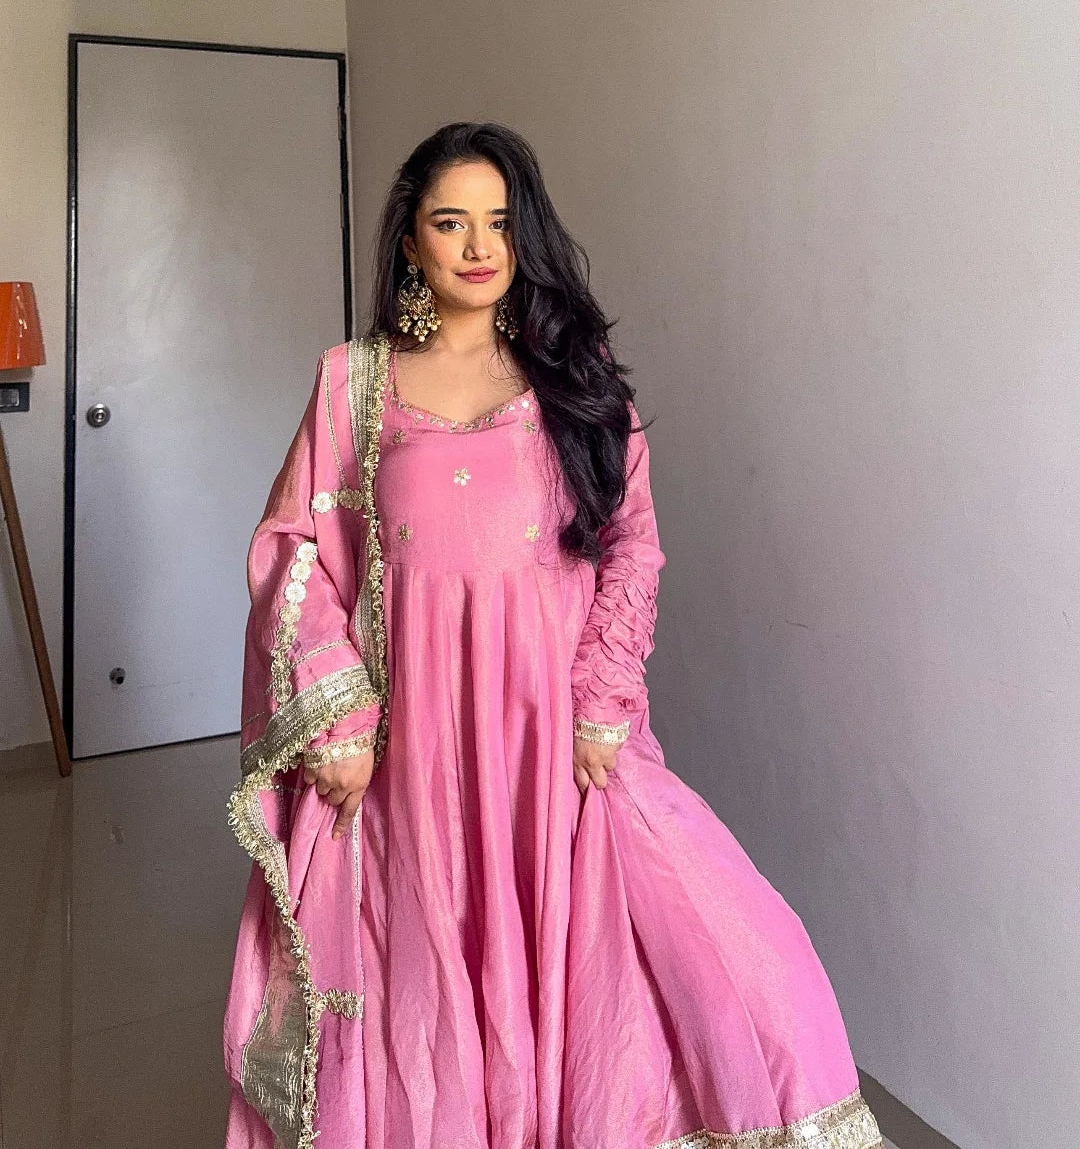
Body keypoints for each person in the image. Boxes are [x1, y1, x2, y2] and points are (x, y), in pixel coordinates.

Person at [222, 122, 882, 1149]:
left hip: (557, 745)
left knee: (708, 961)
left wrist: (605, 699)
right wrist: (337, 716)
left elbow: (633, 545)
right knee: (425, 990)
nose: (479, 246)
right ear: (412, 243)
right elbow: (291, 548)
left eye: (499, 222)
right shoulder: (351, 383)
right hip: (413, 761)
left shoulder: (577, 378)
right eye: (451, 222)